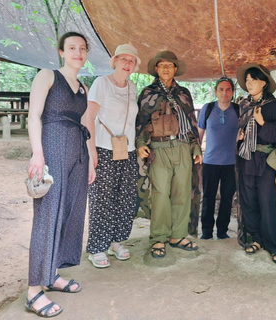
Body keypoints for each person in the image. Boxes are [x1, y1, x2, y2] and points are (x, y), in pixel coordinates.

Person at [26, 32, 93, 317]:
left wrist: (90, 161)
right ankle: (33, 291)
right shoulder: (47, 76)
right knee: (48, 214)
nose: (78, 52)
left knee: (70, 212)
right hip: (52, 148)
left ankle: (52, 275)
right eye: (72, 48)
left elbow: (85, 123)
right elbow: (33, 116)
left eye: (82, 48)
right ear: (61, 52)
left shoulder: (83, 88)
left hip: (78, 153)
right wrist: (37, 154)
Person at [136, 51, 202, 259]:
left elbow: (191, 122)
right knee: (160, 193)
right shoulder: (147, 93)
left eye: (169, 65)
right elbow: (140, 122)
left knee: (182, 193)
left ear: (175, 69)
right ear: (156, 69)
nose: (165, 69)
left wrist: (196, 146)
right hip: (159, 148)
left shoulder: (184, 93)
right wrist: (139, 143)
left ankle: (178, 235)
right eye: (161, 65)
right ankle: (158, 237)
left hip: (183, 147)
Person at [84, 44, 140, 268]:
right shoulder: (101, 83)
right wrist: (91, 150)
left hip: (128, 149)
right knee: (102, 199)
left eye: (131, 61)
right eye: (123, 59)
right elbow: (88, 118)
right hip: (104, 148)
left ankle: (115, 241)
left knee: (125, 198)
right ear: (115, 61)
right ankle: (97, 246)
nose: (127, 64)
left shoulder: (132, 87)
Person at [236, 63, 276, 263]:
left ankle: (273, 245)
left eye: (253, 80)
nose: (249, 84)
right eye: (247, 80)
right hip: (246, 159)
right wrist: (239, 136)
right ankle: (255, 239)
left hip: (265, 161)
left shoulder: (271, 105)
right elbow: (238, 128)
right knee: (249, 202)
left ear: (264, 83)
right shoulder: (243, 104)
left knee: (267, 203)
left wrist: (262, 123)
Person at [197, 77, 239, 240]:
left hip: (231, 163)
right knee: (208, 196)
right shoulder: (207, 109)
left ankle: (222, 230)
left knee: (227, 198)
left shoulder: (238, 110)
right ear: (215, 92)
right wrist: (197, 153)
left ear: (233, 93)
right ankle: (207, 231)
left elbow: (241, 135)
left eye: (228, 89)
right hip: (210, 162)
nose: (224, 93)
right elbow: (199, 133)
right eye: (221, 89)